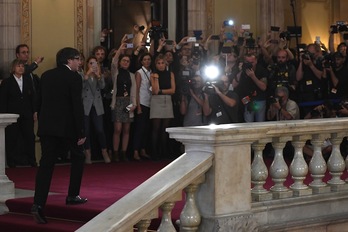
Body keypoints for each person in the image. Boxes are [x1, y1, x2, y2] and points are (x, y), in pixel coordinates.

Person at [31, 47, 87, 224]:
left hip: (47, 127)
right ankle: (72, 195)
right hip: (68, 128)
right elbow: (76, 106)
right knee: (79, 156)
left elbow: (39, 101)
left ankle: (38, 204)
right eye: (77, 59)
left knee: (46, 165)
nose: (79, 62)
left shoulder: (46, 75)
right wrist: (81, 131)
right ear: (69, 60)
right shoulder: (74, 77)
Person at [0, 59, 37, 167]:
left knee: (30, 137)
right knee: (11, 138)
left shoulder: (28, 80)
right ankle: (11, 162)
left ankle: (32, 160)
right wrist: (3, 114)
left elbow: (33, 97)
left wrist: (34, 111)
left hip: (27, 113)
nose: (21, 68)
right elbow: (3, 99)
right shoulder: (7, 82)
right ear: (13, 68)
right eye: (18, 66)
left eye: (22, 66)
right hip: (11, 114)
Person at [82, 56, 110, 164]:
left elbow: (103, 86)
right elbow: (81, 87)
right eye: (90, 63)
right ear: (87, 65)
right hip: (86, 105)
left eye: (95, 64)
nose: (93, 66)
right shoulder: (83, 75)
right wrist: (88, 74)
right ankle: (88, 153)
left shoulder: (99, 76)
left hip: (97, 105)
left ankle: (104, 151)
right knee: (86, 131)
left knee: (100, 130)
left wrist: (98, 76)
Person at [110, 46, 137, 162]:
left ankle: (123, 152)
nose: (126, 62)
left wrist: (134, 104)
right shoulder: (116, 73)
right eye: (124, 61)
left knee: (126, 129)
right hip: (118, 102)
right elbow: (113, 62)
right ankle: (115, 153)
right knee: (117, 129)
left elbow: (134, 91)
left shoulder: (132, 75)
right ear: (120, 62)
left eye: (127, 61)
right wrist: (120, 48)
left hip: (128, 102)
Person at [150, 54, 176, 160]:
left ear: (166, 64)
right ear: (156, 64)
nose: (161, 65)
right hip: (156, 101)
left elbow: (173, 90)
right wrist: (156, 79)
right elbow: (155, 91)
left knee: (165, 128)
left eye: (162, 63)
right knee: (156, 128)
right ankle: (154, 152)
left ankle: (164, 151)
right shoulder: (153, 75)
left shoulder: (170, 74)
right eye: (158, 63)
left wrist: (162, 91)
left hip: (167, 100)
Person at [233, 53, 269, 122]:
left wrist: (253, 77)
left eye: (252, 62)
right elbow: (234, 85)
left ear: (256, 61)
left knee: (260, 122)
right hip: (247, 99)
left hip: (259, 99)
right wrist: (241, 71)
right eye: (247, 62)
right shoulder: (242, 71)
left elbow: (264, 87)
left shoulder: (261, 70)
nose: (250, 64)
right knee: (248, 121)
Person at [133, 53, 152, 161]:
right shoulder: (139, 73)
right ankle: (135, 151)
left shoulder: (152, 72)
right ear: (141, 62)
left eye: (149, 59)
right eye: (145, 59)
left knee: (146, 128)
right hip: (142, 102)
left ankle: (143, 149)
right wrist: (138, 105)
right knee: (139, 128)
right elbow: (136, 89)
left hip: (150, 103)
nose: (147, 61)